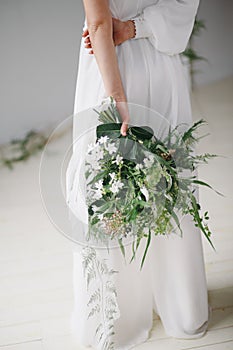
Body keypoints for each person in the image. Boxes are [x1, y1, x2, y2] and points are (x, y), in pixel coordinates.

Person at [66, 1, 210, 349]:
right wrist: (138, 27)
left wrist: (117, 96)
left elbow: (99, 24)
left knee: (109, 188)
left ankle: (116, 315)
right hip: (161, 62)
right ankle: (182, 305)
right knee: (168, 177)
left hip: (112, 69)